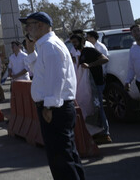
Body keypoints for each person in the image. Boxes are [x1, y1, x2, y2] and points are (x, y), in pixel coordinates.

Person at [20, 12, 85, 180]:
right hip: (56, 106)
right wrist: (31, 52)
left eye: (29, 24)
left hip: (56, 108)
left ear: (40, 25)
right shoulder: (46, 46)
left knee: (61, 159)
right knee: (67, 155)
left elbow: (57, 78)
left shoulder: (50, 45)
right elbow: (40, 74)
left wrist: (49, 106)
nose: (27, 29)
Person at [70, 34, 111, 144]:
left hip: (96, 83)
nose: (74, 44)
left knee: (99, 107)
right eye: (72, 42)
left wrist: (90, 65)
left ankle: (106, 133)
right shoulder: (81, 53)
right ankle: (97, 132)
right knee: (92, 107)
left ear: (81, 41)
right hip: (88, 85)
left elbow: (104, 59)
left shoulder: (89, 50)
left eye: (75, 42)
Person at [125, 24, 140, 104]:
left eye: (138, 30)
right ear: (132, 34)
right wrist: (128, 81)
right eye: (134, 31)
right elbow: (131, 67)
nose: (137, 33)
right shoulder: (133, 49)